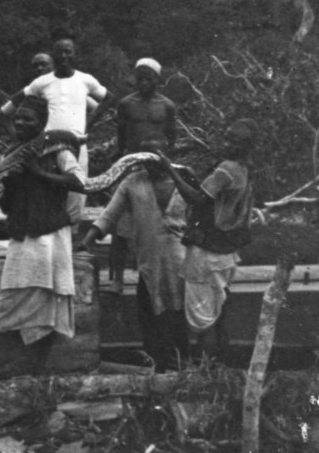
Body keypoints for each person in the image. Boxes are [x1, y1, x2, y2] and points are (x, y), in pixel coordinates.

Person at [0, 100, 86, 375]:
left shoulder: (58, 151)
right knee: (9, 297)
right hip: (23, 237)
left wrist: (39, 173)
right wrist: (11, 180)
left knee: (51, 302)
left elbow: (79, 182)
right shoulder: (11, 155)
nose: (20, 123)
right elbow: (6, 206)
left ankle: (37, 370)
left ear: (41, 123)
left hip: (52, 238)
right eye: (17, 119)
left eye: (28, 120)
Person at [80, 143, 188, 369]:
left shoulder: (184, 177)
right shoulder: (133, 182)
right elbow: (109, 216)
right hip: (149, 265)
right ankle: (157, 367)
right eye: (147, 160)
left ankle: (180, 365)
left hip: (183, 263)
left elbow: (203, 209)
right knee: (150, 315)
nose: (152, 164)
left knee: (179, 315)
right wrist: (85, 241)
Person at [161, 120, 256, 361]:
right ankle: (218, 366)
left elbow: (196, 199)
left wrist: (170, 171)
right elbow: (212, 196)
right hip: (225, 253)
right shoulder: (243, 169)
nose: (226, 144)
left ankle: (204, 371)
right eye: (226, 138)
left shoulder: (225, 169)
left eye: (233, 141)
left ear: (244, 146)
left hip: (206, 253)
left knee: (202, 319)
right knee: (217, 310)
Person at [1, 35, 115, 223]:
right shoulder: (42, 83)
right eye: (59, 52)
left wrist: (90, 123)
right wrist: (17, 139)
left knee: (77, 194)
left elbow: (109, 98)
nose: (63, 56)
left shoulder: (84, 80)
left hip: (77, 145)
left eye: (67, 51)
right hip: (48, 148)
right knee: (47, 191)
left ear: (74, 54)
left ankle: (70, 244)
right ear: (53, 55)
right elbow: (7, 110)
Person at [105, 58, 178, 292]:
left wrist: (166, 165)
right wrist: (118, 165)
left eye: (149, 79)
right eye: (140, 78)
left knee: (156, 221)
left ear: (158, 80)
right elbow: (121, 136)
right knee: (120, 222)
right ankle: (116, 278)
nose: (144, 83)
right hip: (132, 165)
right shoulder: (127, 104)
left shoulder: (167, 105)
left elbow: (172, 138)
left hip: (157, 167)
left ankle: (154, 277)